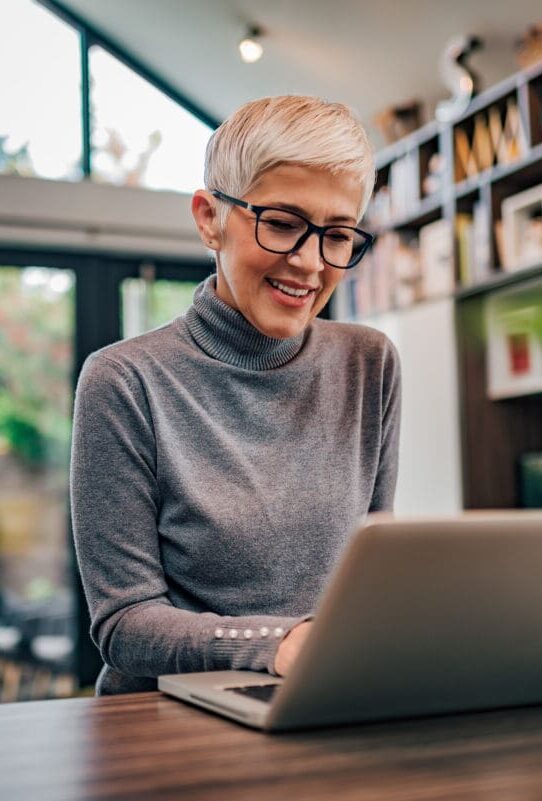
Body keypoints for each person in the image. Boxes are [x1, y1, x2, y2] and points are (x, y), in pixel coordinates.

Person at [70, 95, 401, 695]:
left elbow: (372, 577)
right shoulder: (123, 381)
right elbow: (125, 625)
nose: (309, 263)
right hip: (166, 719)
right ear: (209, 218)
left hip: (320, 699)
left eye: (337, 235)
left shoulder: (368, 364)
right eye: (282, 224)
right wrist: (277, 644)